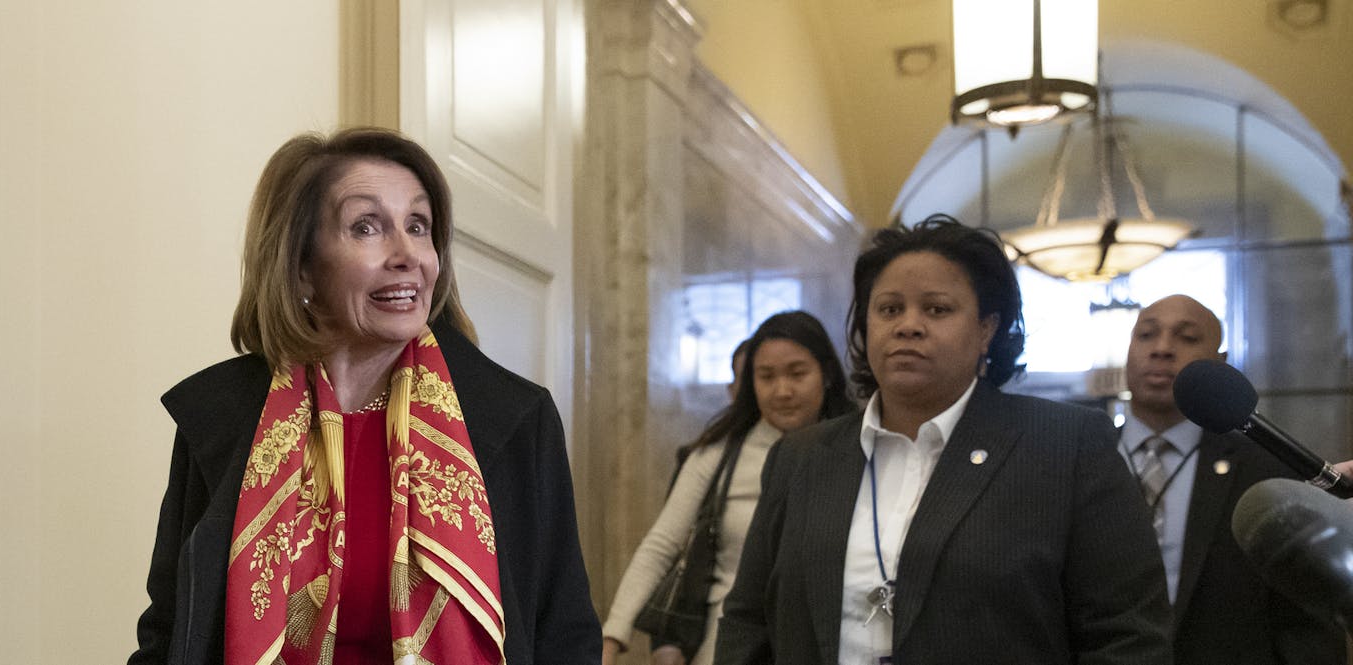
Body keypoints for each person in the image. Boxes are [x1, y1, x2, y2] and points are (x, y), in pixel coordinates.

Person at [127, 127, 600, 665]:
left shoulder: (518, 419)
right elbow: (167, 633)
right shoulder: (221, 418)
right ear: (303, 265)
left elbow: (565, 636)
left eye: (418, 226)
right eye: (367, 227)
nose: (407, 255)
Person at [716, 215, 1173, 664]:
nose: (908, 326)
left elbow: (1127, 637)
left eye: (937, 309)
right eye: (889, 309)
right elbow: (748, 621)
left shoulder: (1065, 447)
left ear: (986, 330)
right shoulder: (802, 457)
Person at [601, 311, 855, 665]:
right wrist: (612, 638)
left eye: (797, 374)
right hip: (727, 650)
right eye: (766, 376)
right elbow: (661, 546)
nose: (782, 391)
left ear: (826, 374)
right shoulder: (717, 454)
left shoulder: (861, 448)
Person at [1119, 294, 1344, 664]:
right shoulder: (1078, 460)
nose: (1161, 349)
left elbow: (1306, 626)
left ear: (1220, 363)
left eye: (1187, 338)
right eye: (1146, 335)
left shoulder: (1269, 470)